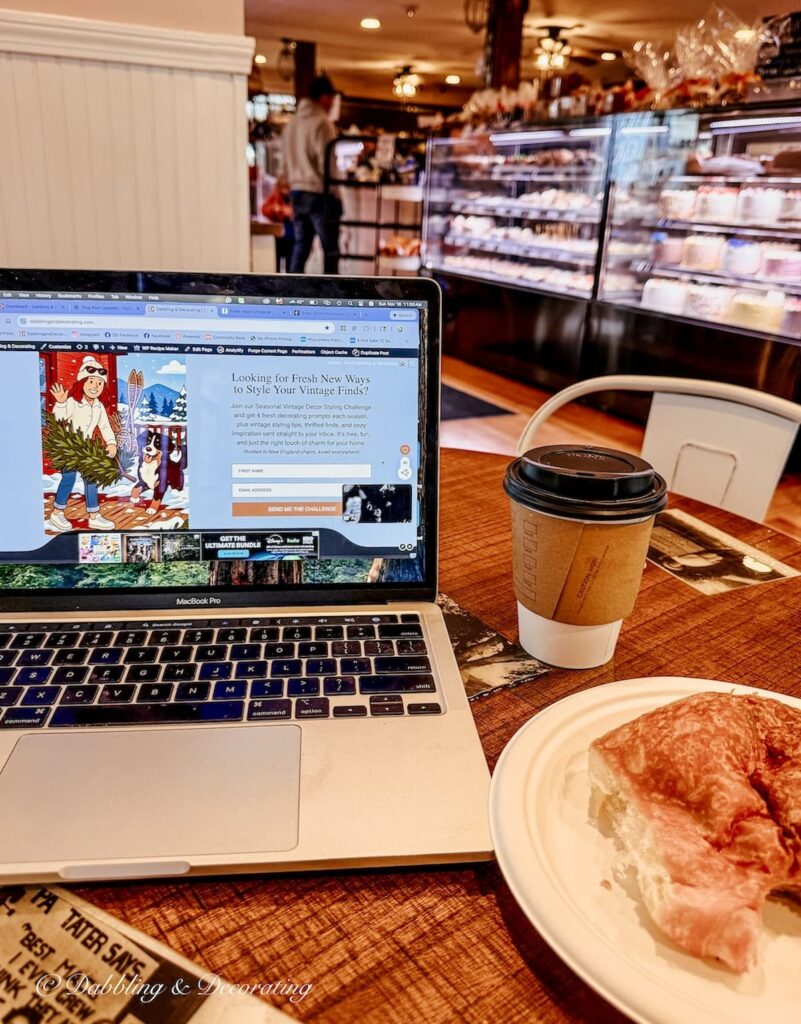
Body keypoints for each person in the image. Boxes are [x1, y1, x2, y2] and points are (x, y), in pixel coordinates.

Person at [47, 354, 117, 532]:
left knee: (91, 479)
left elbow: (105, 426)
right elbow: (57, 420)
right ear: (82, 382)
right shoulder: (73, 401)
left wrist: (111, 443)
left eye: (100, 383)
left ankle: (94, 516)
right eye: (92, 382)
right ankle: (57, 513)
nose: (96, 386)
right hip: (69, 447)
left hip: (86, 449)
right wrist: (61, 403)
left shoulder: (99, 406)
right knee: (68, 478)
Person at [283, 73, 341, 274]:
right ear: (325, 97)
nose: (333, 103)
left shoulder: (292, 123)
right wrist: (336, 193)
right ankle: (331, 299)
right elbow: (327, 163)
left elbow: (286, 163)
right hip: (319, 193)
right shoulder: (322, 123)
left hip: (297, 193)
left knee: (301, 247)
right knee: (330, 250)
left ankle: (291, 295)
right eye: (332, 98)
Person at [261, 174, 295, 272]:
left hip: (292, 236)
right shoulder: (275, 197)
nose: (286, 191)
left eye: (287, 188)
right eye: (283, 188)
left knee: (291, 265)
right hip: (279, 236)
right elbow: (265, 209)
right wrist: (279, 209)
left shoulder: (295, 197)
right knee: (277, 263)